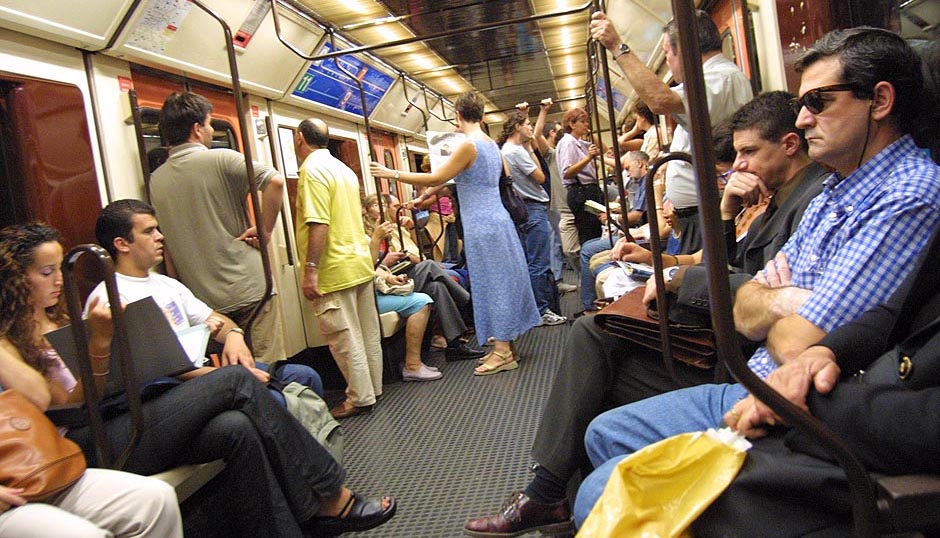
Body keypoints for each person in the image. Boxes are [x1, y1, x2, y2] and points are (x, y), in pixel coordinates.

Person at [574, 27, 940, 526]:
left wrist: (765, 298)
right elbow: (746, 298)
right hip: (759, 374)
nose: (804, 116)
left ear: (879, 100)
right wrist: (774, 298)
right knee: (603, 432)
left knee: (601, 483)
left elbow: (795, 337)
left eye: (817, 100)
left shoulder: (907, 194)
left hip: (793, 399)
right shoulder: (834, 191)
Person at [462, 87, 864, 538]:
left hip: (735, 358)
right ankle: (554, 494)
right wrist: (724, 217)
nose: (739, 167)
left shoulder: (809, 202)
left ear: (788, 146)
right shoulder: (778, 198)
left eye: (749, 153)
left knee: (595, 341)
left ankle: (551, 494)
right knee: (596, 336)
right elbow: (741, 275)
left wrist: (676, 278)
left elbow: (759, 292)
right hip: (733, 332)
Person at [0, 222, 396, 538]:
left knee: (235, 427)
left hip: (121, 412)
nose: (58, 281)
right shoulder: (10, 340)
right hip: (81, 442)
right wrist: (100, 342)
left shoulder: (62, 318)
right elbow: (51, 399)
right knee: (236, 383)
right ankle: (331, 495)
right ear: (17, 279)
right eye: (47, 272)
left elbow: (106, 384)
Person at [370, 91, 540, 377]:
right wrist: (425, 198)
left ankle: (501, 352)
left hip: (482, 225)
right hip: (497, 220)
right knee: (501, 280)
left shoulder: (468, 146)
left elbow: (438, 177)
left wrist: (392, 174)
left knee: (492, 284)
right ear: (482, 116)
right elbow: (460, 180)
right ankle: (507, 345)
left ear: (457, 116)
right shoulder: (490, 145)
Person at [88, 199, 324, 402]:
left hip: (202, 374)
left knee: (304, 376)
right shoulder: (110, 298)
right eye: (149, 232)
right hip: (170, 388)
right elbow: (154, 370)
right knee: (272, 398)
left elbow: (215, 319)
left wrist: (234, 336)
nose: (160, 237)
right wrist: (227, 376)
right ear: (121, 244)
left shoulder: (166, 284)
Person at [591, 9, 753, 253]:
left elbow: (660, 101)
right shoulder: (715, 78)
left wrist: (616, 46)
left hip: (706, 211)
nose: (667, 62)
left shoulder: (720, 79)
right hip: (695, 213)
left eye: (667, 54)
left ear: (686, 51)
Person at [149, 92, 286, 364]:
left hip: (203, 298)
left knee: (232, 369)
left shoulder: (156, 179)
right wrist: (265, 229)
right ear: (197, 129)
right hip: (248, 285)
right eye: (210, 124)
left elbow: (170, 249)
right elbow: (276, 182)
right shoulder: (223, 158)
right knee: (266, 365)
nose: (211, 130)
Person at [294, 117, 383, 419]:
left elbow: (319, 222)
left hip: (334, 266)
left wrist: (310, 269)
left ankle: (359, 397)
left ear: (299, 138)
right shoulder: (344, 169)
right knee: (367, 333)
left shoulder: (311, 170)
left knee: (344, 337)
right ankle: (374, 387)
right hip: (358, 261)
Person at [366, 194, 485, 362]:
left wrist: (411, 228)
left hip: (403, 270)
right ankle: (465, 299)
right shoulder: (370, 235)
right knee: (430, 265)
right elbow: (376, 262)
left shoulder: (396, 229)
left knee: (437, 287)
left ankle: (455, 345)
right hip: (391, 277)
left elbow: (414, 250)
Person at [499, 110, 566, 326]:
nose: (531, 127)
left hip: (521, 210)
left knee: (531, 261)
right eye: (528, 124)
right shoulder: (517, 151)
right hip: (532, 209)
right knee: (539, 263)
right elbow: (540, 176)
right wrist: (530, 149)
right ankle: (542, 310)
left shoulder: (505, 150)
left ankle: (537, 309)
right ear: (517, 127)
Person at [531, 100, 580, 288]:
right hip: (560, 205)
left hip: (575, 202)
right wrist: (543, 110)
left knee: (572, 245)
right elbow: (537, 135)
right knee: (563, 246)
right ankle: (559, 280)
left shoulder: (574, 150)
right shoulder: (551, 154)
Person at [555, 106, 603, 246]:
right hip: (581, 192)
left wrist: (591, 133)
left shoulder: (580, 143)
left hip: (588, 190)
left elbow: (604, 149)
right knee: (589, 232)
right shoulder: (568, 142)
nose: (586, 124)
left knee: (596, 230)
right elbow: (567, 172)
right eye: (583, 121)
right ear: (572, 124)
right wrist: (588, 158)